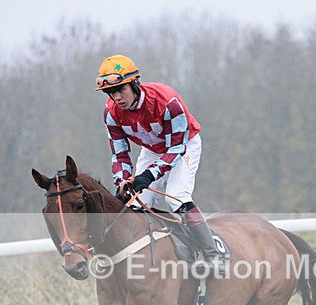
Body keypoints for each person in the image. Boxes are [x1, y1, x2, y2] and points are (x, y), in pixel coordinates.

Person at [95, 54, 226, 277]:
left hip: (184, 143)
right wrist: (123, 180)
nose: (116, 97)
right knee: (135, 203)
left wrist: (148, 176)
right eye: (110, 92)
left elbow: (175, 148)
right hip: (153, 148)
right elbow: (119, 153)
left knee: (175, 197)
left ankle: (213, 255)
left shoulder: (168, 102)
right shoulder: (111, 113)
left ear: (135, 83)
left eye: (121, 89)